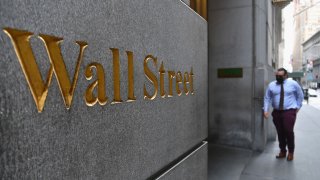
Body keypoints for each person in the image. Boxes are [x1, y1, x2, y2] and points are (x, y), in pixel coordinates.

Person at [263, 68, 304, 161]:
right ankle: (282, 150)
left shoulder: (293, 84)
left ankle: (291, 152)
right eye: (276, 76)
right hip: (277, 112)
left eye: (280, 76)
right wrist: (265, 110)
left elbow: (300, 95)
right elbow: (267, 98)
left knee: (288, 131)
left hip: (289, 111)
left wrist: (297, 107)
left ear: (286, 76)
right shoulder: (272, 85)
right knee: (280, 132)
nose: (278, 77)